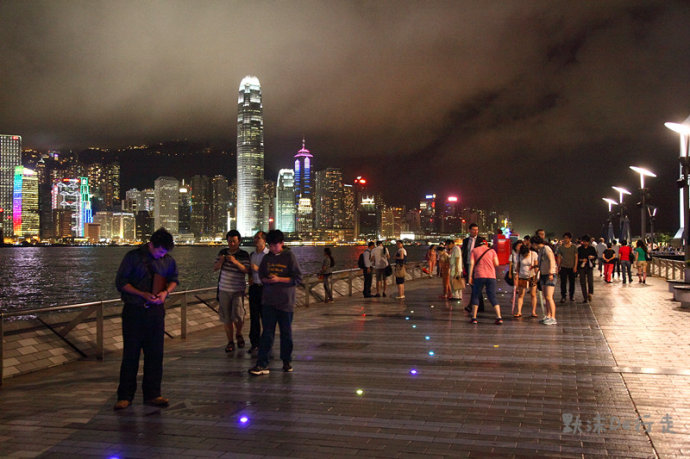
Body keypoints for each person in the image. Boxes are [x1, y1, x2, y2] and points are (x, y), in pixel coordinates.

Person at [114, 228, 178, 410]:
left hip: (156, 311)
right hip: (134, 310)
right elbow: (121, 282)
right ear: (151, 244)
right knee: (131, 354)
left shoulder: (168, 260)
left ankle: (153, 393)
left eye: (165, 252)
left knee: (155, 354)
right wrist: (142, 294)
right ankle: (125, 396)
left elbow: (174, 279)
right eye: (160, 251)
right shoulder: (133, 257)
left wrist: (165, 292)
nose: (161, 255)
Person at [249, 230, 303, 375]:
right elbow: (261, 275)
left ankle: (286, 361)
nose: (272, 248)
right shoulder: (267, 258)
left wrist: (279, 279)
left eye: (275, 245)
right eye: (270, 245)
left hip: (285, 302)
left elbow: (298, 278)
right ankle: (262, 364)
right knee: (267, 333)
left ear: (282, 243)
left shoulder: (289, 257)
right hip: (269, 301)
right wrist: (266, 280)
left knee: (286, 333)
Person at [214, 229, 250, 353]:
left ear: (239, 241)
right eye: (229, 241)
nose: (232, 244)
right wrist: (221, 260)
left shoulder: (243, 254)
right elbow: (215, 268)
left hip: (237, 290)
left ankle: (238, 333)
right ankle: (230, 341)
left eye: (234, 241)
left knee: (239, 316)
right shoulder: (222, 252)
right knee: (226, 317)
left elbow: (246, 270)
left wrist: (235, 261)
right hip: (224, 289)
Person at [468, 237, 502, 325]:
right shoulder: (492, 251)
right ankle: (499, 317)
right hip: (491, 276)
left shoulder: (474, 250)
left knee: (476, 295)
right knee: (492, 296)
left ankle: (474, 318)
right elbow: (497, 263)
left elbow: (471, 264)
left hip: (479, 275)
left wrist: (470, 276)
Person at [248, 231, 269, 354]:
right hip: (254, 288)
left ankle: (266, 343)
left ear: (264, 240)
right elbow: (250, 270)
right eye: (255, 237)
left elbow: (270, 272)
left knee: (266, 317)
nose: (256, 239)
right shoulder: (253, 254)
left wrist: (257, 269)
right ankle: (254, 343)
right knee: (254, 317)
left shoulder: (268, 255)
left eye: (258, 238)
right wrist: (250, 276)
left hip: (265, 289)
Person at [533, 235, 558, 325]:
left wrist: (551, 272)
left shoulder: (546, 248)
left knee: (549, 297)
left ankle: (553, 317)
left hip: (549, 275)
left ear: (535, 243)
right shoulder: (540, 250)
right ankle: (548, 315)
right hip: (543, 275)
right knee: (545, 297)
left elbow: (552, 260)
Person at [514, 243, 538, 318]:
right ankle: (519, 312)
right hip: (522, 277)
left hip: (532, 276)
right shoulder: (519, 255)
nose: (525, 256)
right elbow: (517, 267)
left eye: (526, 254)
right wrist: (516, 276)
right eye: (523, 254)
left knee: (533, 294)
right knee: (521, 295)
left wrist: (537, 275)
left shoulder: (533, 254)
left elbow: (536, 266)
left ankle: (533, 312)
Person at [462, 224, 483, 310]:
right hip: (468, 264)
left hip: (477, 265)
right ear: (469, 230)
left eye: (477, 230)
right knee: (474, 285)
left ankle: (471, 305)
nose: (475, 231)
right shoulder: (466, 241)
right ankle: (480, 306)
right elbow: (464, 252)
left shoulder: (481, 240)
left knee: (475, 285)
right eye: (473, 230)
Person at [557, 232, 578, 303]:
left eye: (567, 238)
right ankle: (563, 296)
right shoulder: (561, 247)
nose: (566, 239)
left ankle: (571, 295)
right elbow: (559, 257)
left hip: (572, 267)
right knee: (563, 282)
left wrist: (575, 266)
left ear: (570, 239)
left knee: (572, 282)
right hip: (563, 267)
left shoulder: (574, 247)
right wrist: (558, 266)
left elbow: (576, 257)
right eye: (565, 238)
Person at [577, 235, 597, 303]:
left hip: (589, 266)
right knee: (582, 282)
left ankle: (590, 293)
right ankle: (585, 297)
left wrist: (592, 257)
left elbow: (595, 256)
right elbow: (577, 258)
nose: (585, 243)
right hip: (581, 267)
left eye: (586, 242)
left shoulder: (592, 248)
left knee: (590, 281)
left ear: (589, 242)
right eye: (584, 241)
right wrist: (582, 260)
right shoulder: (579, 249)